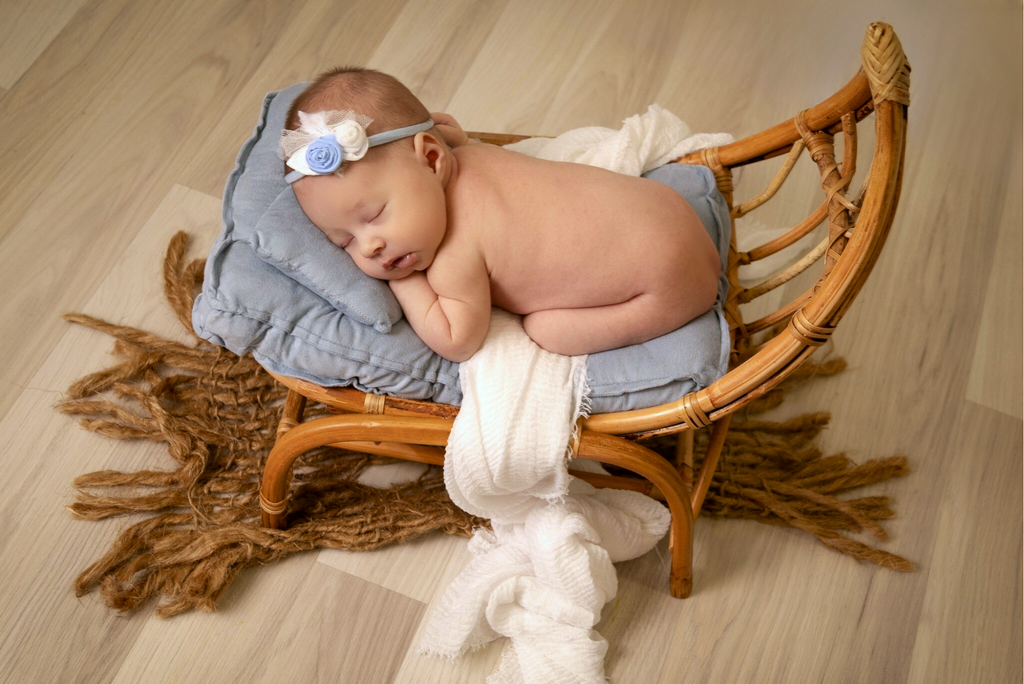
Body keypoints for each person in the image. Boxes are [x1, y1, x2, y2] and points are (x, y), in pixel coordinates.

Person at [281, 67, 721, 362]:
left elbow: (458, 341)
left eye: (374, 215)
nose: (370, 246)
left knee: (546, 330)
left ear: (431, 159)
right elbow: (448, 134)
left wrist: (406, 281)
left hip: (668, 291)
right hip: (669, 212)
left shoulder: (455, 257)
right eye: (345, 241)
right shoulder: (466, 152)